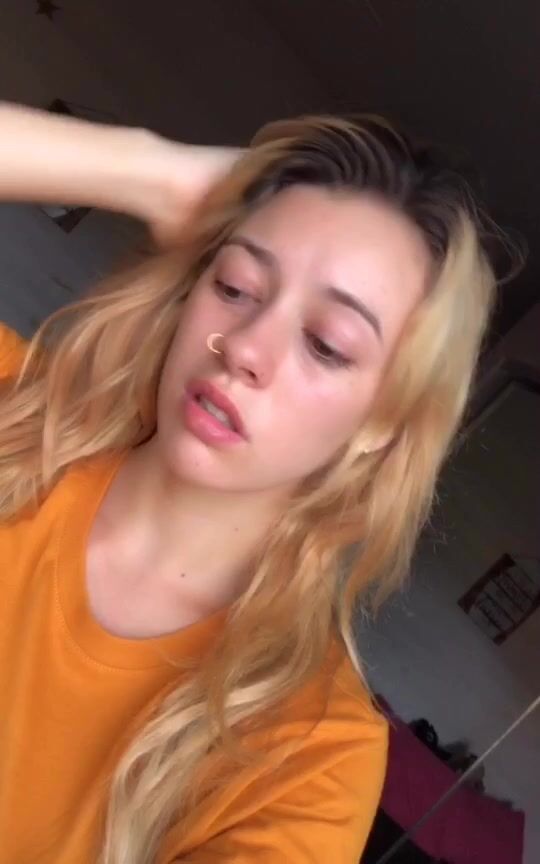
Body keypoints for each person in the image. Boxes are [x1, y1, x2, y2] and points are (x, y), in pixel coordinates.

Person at [0, 101, 498, 864]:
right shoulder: (13, 412)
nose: (244, 348)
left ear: (383, 424)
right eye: (235, 286)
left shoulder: (312, 755)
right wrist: (149, 168)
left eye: (326, 344)